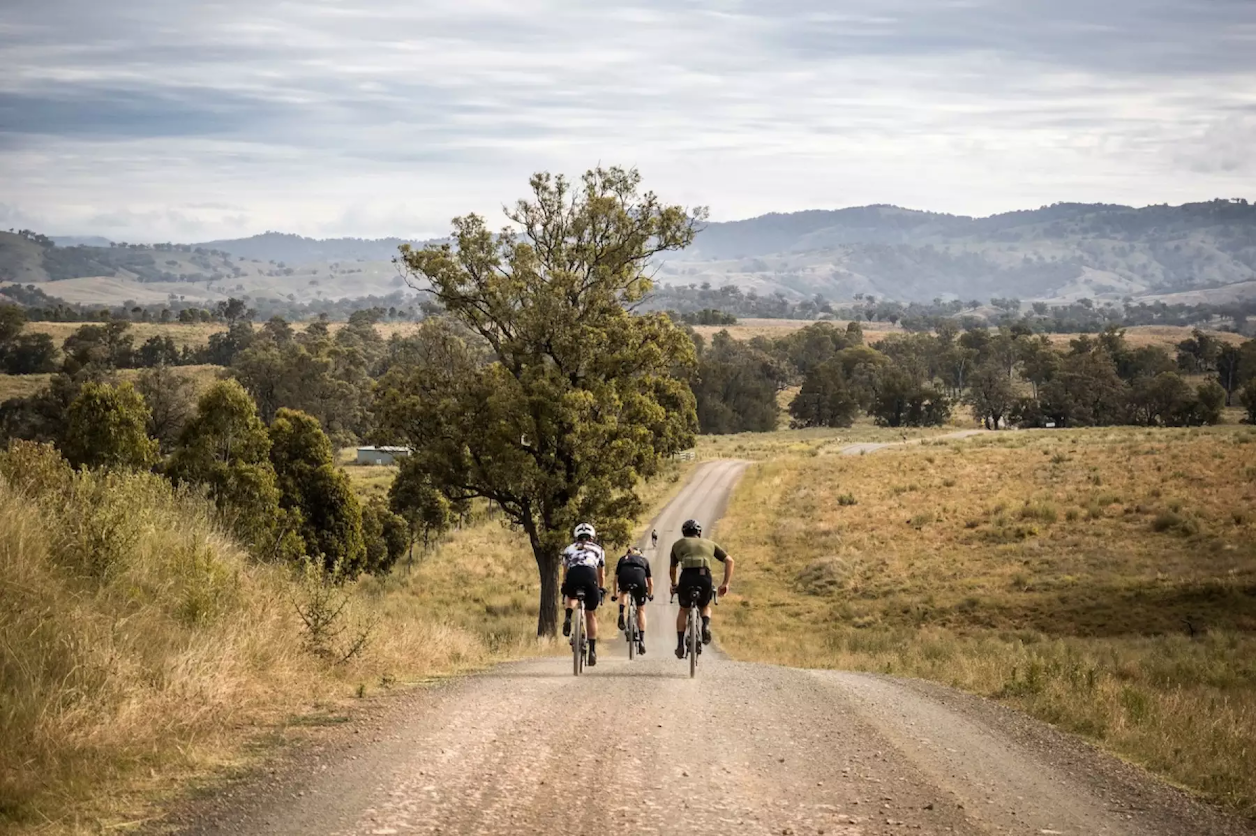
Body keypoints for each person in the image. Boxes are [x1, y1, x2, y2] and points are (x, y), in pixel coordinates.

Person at [668, 518, 734, 659]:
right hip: (704, 577)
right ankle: (705, 626)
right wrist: (725, 583)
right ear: (699, 533)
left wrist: (674, 585)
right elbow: (729, 560)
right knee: (704, 606)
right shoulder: (710, 543)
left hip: (686, 577)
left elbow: (673, 569)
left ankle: (680, 645)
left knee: (683, 610)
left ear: (684, 533)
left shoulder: (677, 545)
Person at [561, 522, 605, 666]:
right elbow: (601, 573)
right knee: (591, 614)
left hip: (573, 575)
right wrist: (601, 588)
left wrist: (564, 585)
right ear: (592, 537)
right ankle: (592, 650)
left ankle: (568, 616)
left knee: (570, 595)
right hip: (590, 575)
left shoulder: (568, 549)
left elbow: (565, 571)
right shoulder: (598, 549)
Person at [612, 545, 653, 655]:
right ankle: (642, 640)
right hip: (639, 581)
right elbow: (650, 582)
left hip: (625, 578)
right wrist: (650, 594)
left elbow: (615, 579)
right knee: (641, 610)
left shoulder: (623, 559)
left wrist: (615, 594)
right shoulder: (644, 560)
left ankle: (621, 612)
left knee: (624, 592)